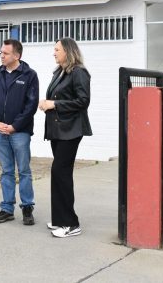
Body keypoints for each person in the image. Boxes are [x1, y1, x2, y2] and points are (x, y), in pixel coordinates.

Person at [38, 38, 92, 238]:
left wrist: (55, 104)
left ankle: (71, 223)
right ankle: (60, 219)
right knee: (61, 174)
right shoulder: (59, 72)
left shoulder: (79, 72)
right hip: (58, 130)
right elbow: (59, 98)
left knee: (60, 172)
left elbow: (83, 101)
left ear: (68, 51)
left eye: (57, 49)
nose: (54, 53)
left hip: (71, 130)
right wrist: (47, 103)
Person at [0, 39, 39, 225]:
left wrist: (15, 126)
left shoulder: (29, 75)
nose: (1, 56)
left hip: (20, 132)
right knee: (6, 171)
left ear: (17, 55)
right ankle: (7, 209)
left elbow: (31, 105)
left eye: (5, 53)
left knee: (23, 170)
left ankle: (27, 208)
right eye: (1, 52)